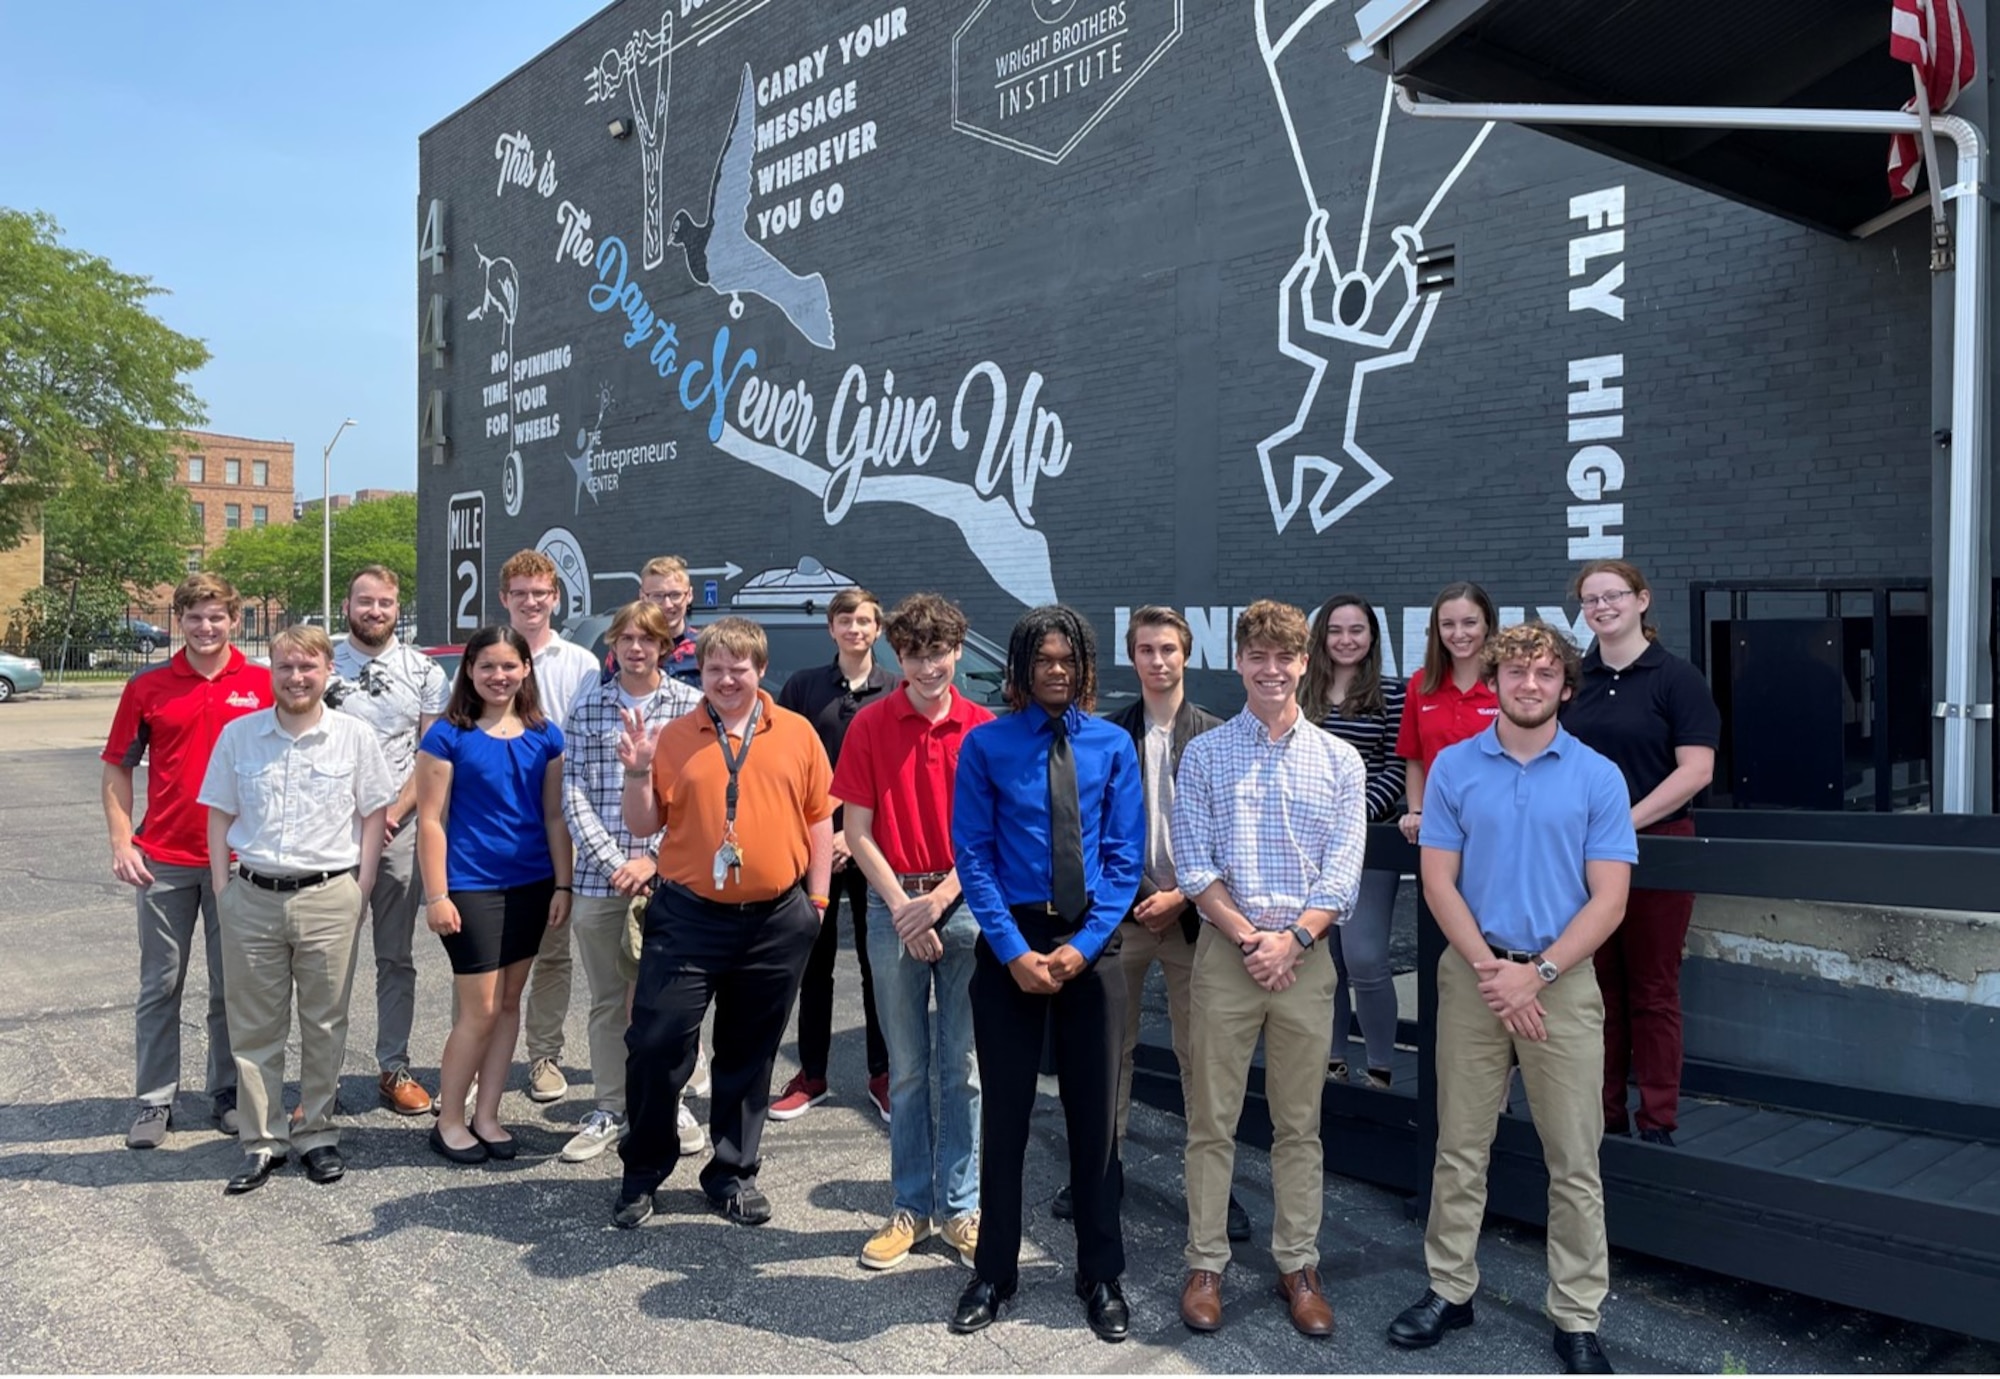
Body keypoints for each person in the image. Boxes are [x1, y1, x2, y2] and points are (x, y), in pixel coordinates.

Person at [1387, 622, 1636, 1376]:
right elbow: (1437, 881)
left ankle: (1577, 1313)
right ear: (1493, 681)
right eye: (1516, 672)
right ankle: (1449, 1288)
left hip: (1562, 982)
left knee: (1574, 1158)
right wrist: (1495, 970)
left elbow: (1610, 899)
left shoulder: (1598, 776)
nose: (1530, 684)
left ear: (1566, 684)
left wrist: (1540, 974)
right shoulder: (1457, 767)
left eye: (1545, 673)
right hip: (1473, 976)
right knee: (1460, 1146)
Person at [1171, 600, 1367, 1338]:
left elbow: (1341, 878)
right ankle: (1205, 1261)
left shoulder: (1340, 761)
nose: (1271, 668)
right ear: (1240, 661)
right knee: (1211, 1120)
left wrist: (1293, 941)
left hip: (1307, 959)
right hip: (1228, 954)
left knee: (1299, 1124)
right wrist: (1256, 937)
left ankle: (1298, 1261)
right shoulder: (1208, 754)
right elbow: (1194, 866)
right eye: (1257, 654)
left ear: (1304, 663)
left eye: (1284, 656)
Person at [949, 606, 1144, 1343]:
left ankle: (1101, 1273)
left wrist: (1085, 944)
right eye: (1043, 659)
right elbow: (973, 853)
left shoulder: (1112, 744)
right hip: (1012, 943)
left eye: (1067, 659)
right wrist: (1012, 948)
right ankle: (993, 1271)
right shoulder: (987, 745)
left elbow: (1125, 855)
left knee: (1095, 1121)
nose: (1056, 670)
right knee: (1005, 1115)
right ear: (1022, 668)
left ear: (1084, 665)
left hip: (1092, 944)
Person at [611, 617, 833, 1229]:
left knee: (748, 1051)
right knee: (657, 1043)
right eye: (715, 668)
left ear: (761, 670)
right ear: (699, 673)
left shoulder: (797, 734)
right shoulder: (675, 735)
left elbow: (819, 820)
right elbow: (640, 824)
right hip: (688, 915)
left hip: (775, 920)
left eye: (740, 668)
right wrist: (636, 770)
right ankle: (643, 1170)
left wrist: (816, 904)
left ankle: (731, 1173)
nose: (727, 679)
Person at [1056, 606, 1251, 1244]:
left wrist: (1184, 897)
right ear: (1132, 657)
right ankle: (1098, 1174)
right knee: (1111, 1052)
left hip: (1202, 921)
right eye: (1145, 649)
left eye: (1168, 648)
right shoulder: (1109, 736)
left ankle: (1213, 1191)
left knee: (1205, 1059)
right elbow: (1097, 830)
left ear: (1185, 655)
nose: (1157, 660)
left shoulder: (1218, 737)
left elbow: (1233, 837)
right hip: (1127, 914)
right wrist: (1149, 893)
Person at [198, 626, 397, 1194]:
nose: (296, 677)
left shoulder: (354, 737)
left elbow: (372, 818)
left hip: (328, 895)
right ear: (271, 672)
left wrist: (361, 890)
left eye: (307, 666)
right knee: (254, 1027)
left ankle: (316, 1133)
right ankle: (263, 1141)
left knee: (325, 1020)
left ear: (328, 671)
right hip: (253, 895)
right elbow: (218, 815)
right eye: (285, 666)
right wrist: (223, 888)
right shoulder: (240, 737)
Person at [833, 593, 994, 1271]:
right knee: (907, 1070)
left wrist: (941, 900)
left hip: (965, 902)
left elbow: (991, 835)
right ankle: (911, 1207)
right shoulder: (871, 724)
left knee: (963, 1068)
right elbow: (855, 831)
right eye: (915, 653)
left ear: (957, 650)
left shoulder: (984, 726)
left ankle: (962, 1207)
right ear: (897, 656)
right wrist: (905, 905)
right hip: (891, 901)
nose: (929, 665)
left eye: (940, 651)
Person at [102, 573, 273, 1150]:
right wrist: (123, 841)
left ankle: (227, 1094)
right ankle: (154, 1100)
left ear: (235, 620)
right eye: (195, 617)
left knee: (234, 987)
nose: (206, 627)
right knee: (161, 985)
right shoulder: (148, 686)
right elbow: (117, 768)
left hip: (240, 859)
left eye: (217, 617)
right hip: (164, 860)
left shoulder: (262, 684)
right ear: (179, 619)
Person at [1561, 559, 1718, 1147]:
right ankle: (1602, 1116)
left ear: (1642, 600)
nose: (1602, 607)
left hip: (1658, 847)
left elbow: (1696, 770)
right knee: (1594, 987)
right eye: (1591, 600)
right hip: (1581, 854)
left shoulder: (1677, 678)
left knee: (1653, 988)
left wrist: (1621, 825)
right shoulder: (1576, 678)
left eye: (1614, 596)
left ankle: (1657, 1120)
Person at [414, 625, 574, 1164]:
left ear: (526, 669)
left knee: (509, 1005)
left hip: (531, 885)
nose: (498, 676)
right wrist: (437, 895)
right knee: (479, 1010)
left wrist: (563, 883)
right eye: (487, 667)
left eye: (509, 666)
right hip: (470, 886)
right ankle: (450, 1120)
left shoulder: (545, 735)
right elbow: (431, 821)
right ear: (469, 672)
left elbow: (554, 816)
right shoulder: (446, 735)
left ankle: (487, 1115)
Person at [558, 600, 702, 1164]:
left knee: (671, 1000)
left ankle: (674, 1100)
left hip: (673, 878)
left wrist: (653, 860)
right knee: (606, 1000)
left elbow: (701, 798)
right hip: (600, 880)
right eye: (625, 639)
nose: (636, 648)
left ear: (664, 646)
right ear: (612, 647)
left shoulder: (690, 705)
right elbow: (572, 793)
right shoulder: (588, 707)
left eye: (648, 639)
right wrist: (614, 860)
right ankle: (610, 1106)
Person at [327, 564, 449, 1115]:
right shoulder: (321, 662)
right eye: (364, 601)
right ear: (347, 605)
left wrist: (394, 811)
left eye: (385, 603)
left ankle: (393, 1066)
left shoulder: (423, 672)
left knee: (394, 957)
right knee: (327, 960)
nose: (375, 611)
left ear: (398, 608)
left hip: (399, 829)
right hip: (330, 835)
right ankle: (318, 1079)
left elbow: (431, 756)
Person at [772, 587, 894, 1123]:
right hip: (813, 845)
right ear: (832, 628)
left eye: (865, 621)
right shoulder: (803, 687)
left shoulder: (897, 689)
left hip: (875, 845)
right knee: (813, 964)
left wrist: (854, 835)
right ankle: (812, 1075)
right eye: (846, 619)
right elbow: (785, 765)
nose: (855, 629)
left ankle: (884, 1073)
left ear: (878, 630)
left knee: (879, 964)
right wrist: (823, 835)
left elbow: (897, 773)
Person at [496, 549, 600, 1107]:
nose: (532, 603)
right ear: (504, 599)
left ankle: (543, 1055)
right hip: (498, 824)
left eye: (541, 593)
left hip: (560, 823)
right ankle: (484, 1055)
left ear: (556, 597)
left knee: (554, 951)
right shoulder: (488, 656)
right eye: (521, 594)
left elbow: (583, 746)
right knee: (493, 954)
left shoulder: (580, 663)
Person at [1301, 593, 1408, 1088]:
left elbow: (1397, 769)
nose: (1346, 640)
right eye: (1336, 630)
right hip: (1309, 845)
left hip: (1369, 842)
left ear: (1372, 637)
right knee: (1329, 961)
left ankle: (1382, 1068)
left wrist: (1353, 816)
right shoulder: (1302, 693)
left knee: (1365, 958)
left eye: (1356, 630)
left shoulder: (1394, 693)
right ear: (1321, 637)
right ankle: (1334, 1059)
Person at [1396, 581, 1499, 848]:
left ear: (1487, 624)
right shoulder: (1421, 684)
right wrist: (1417, 812)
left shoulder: (1507, 682)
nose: (1459, 633)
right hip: (1438, 828)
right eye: (1448, 624)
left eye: (1469, 623)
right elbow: (1416, 759)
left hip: (1497, 825)